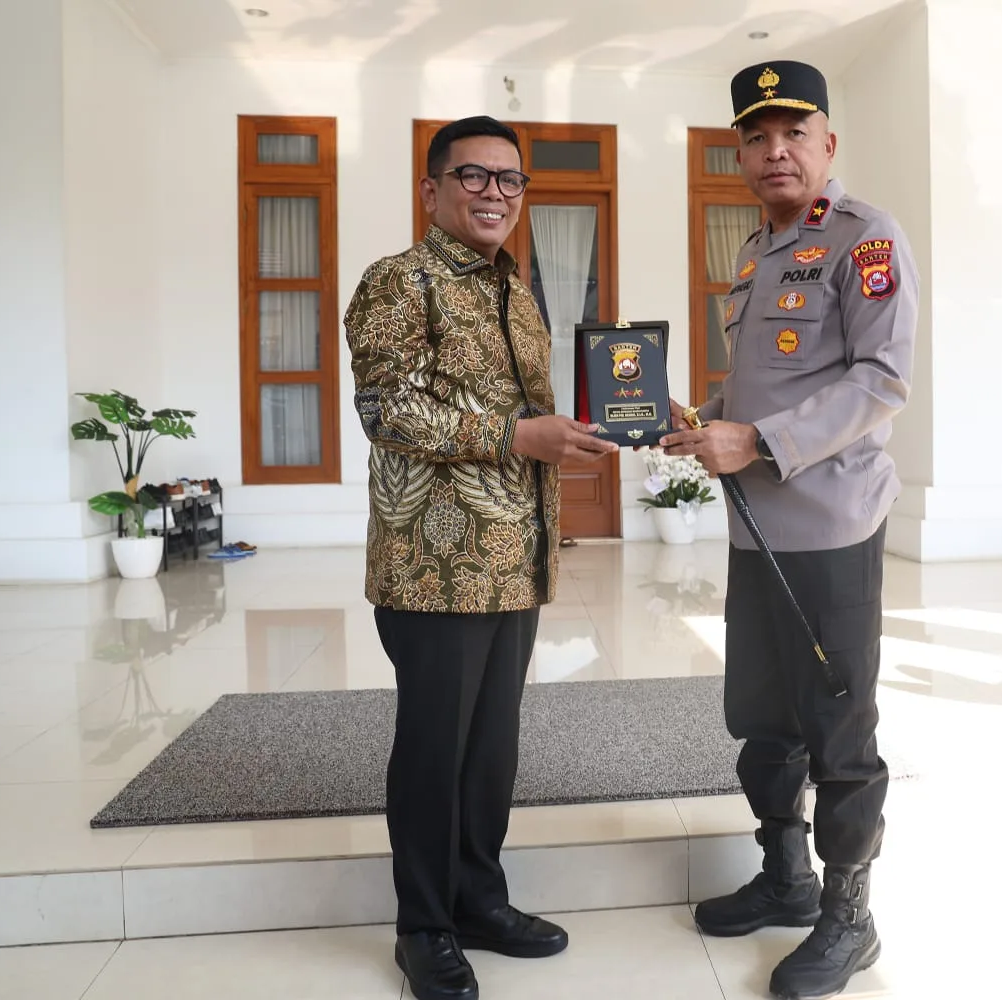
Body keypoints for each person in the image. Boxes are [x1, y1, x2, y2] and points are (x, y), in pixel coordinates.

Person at [658, 61, 917, 1000]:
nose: (775, 152)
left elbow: (881, 379)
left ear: (827, 144)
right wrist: (711, 418)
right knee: (763, 719)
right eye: (757, 137)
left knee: (838, 726)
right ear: (739, 155)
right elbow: (772, 379)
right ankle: (787, 878)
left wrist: (758, 439)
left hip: (831, 526)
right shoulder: (758, 252)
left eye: (793, 134)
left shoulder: (864, 237)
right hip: (754, 526)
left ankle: (851, 917)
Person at [343, 115, 618, 1000]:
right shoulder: (399, 282)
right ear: (432, 190)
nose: (495, 193)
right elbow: (388, 410)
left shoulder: (519, 292)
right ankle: (424, 926)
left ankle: (478, 900)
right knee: (434, 751)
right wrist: (518, 435)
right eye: (474, 176)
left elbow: (527, 418)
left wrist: (583, 432)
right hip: (435, 565)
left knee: (491, 750)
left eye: (510, 179)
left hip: (514, 561)